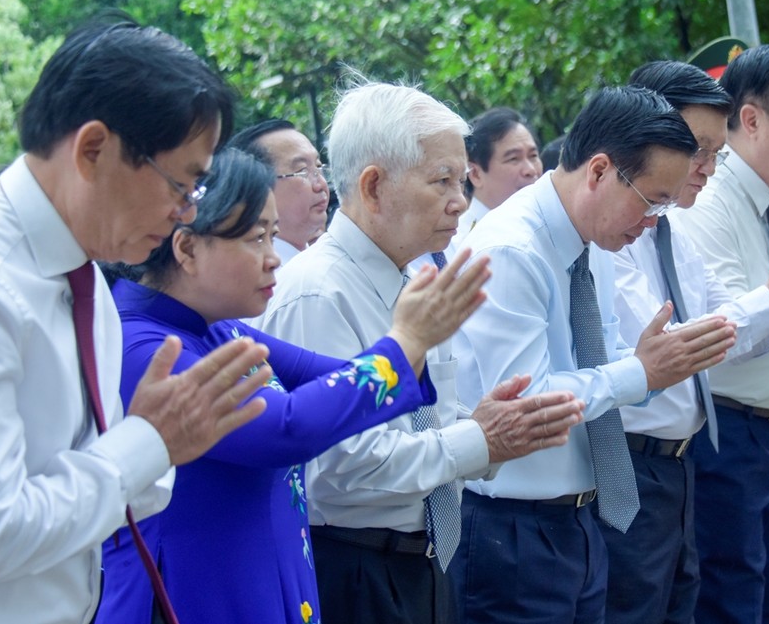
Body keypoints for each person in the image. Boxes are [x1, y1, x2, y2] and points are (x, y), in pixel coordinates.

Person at [94, 147, 490, 623]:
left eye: (273, 235)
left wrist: (413, 345)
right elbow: (286, 427)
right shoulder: (145, 348)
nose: (273, 259)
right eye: (257, 238)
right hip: (196, 597)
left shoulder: (215, 329)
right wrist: (405, 342)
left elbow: (330, 377)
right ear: (187, 249)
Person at [257, 81, 585, 624]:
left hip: (425, 559)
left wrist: (484, 429)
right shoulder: (318, 292)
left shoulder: (414, 278)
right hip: (359, 566)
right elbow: (345, 467)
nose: (461, 200)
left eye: (461, 180)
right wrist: (478, 439)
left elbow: (431, 421)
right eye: (442, 180)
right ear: (373, 186)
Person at [0, 18, 275, 624]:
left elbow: (112, 494)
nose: (186, 214)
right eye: (184, 184)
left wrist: (159, 443)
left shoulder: (86, 278)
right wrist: (147, 442)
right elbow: (2, 532)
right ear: (94, 150)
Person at [450, 84, 741, 624]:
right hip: (511, 529)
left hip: (581, 518)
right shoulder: (511, 251)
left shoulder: (593, 239)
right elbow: (530, 403)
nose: (653, 221)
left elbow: (600, 363)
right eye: (652, 200)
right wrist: (641, 371)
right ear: (600, 170)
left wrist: (646, 366)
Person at [602, 61, 769, 624]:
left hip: (706, 446)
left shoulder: (673, 225)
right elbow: (677, 345)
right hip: (655, 454)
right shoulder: (623, 229)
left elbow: (727, 326)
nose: (707, 165)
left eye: (713, 151)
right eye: (698, 149)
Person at [227, 119, 331, 261]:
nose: (321, 184)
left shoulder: (321, 259)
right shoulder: (259, 268)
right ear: (258, 187)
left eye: (318, 167)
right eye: (302, 171)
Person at [448, 107, 542, 256]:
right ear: (476, 174)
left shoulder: (542, 231)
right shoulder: (455, 246)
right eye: (513, 159)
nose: (530, 170)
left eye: (533, 156)